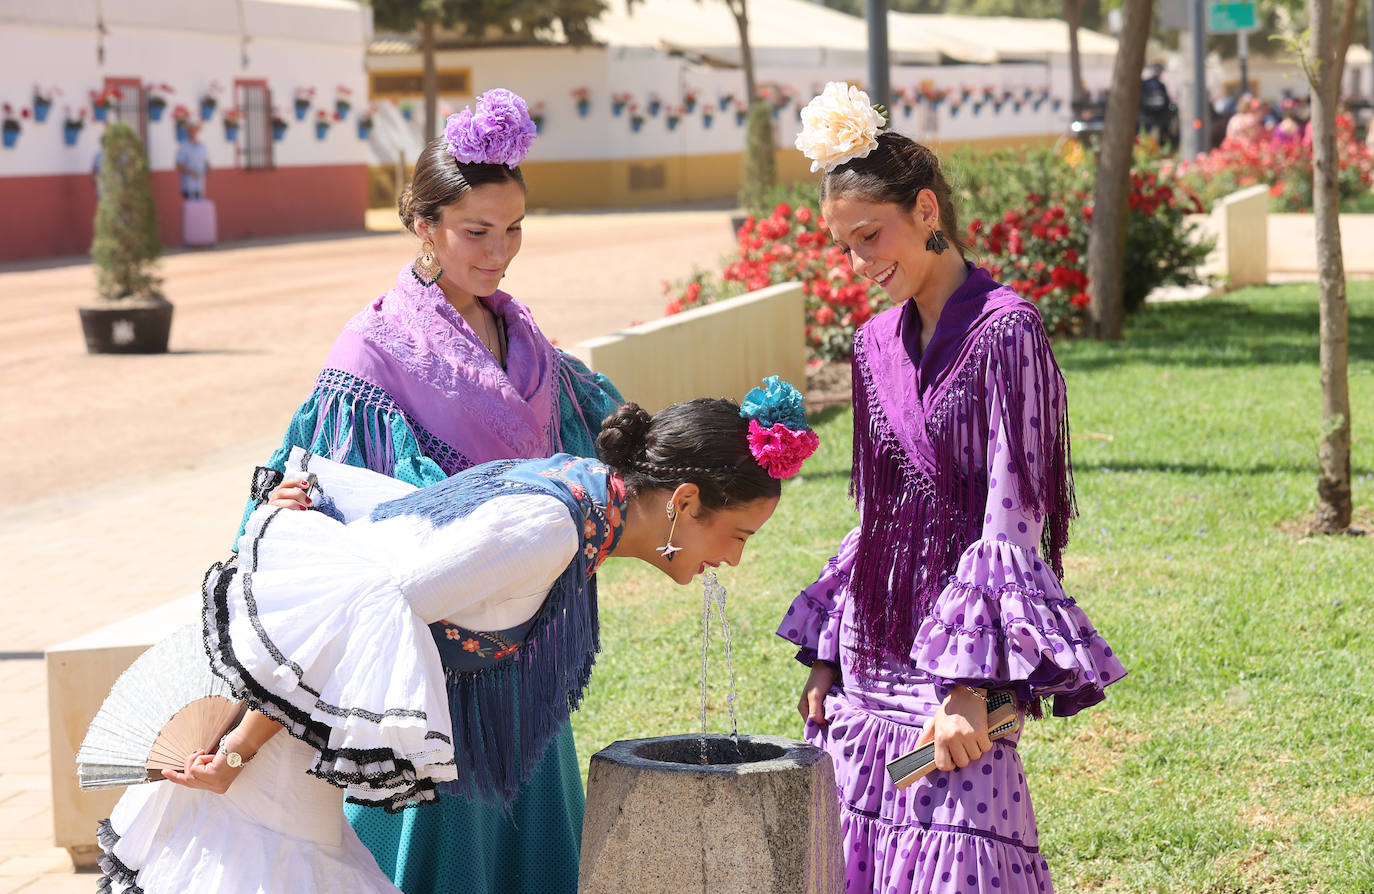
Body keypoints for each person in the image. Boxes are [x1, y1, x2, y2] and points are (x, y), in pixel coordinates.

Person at [96, 388, 821, 893]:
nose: (733, 560)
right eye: (737, 536)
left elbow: (395, 530)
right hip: (268, 776)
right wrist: (234, 751)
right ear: (685, 502)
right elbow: (361, 603)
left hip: (286, 761)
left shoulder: (574, 495)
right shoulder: (548, 530)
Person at [233, 88, 624, 893]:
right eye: (476, 232)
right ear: (424, 224)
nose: (499, 252)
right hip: (432, 658)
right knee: (433, 853)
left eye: (514, 229)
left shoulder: (524, 335)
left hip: (526, 638)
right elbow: (355, 497)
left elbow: (590, 441)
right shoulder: (374, 349)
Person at [783, 83, 1125, 893]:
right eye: (847, 248)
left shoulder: (1010, 331)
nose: (861, 265)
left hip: (955, 658)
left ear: (927, 209)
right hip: (870, 653)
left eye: (873, 237)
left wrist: (969, 688)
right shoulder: (871, 346)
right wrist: (826, 657)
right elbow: (874, 515)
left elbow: (1014, 518)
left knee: (963, 851)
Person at [1139, 62, 1175, 151]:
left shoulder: (1144, 83)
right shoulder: (1160, 85)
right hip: (1158, 119)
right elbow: (1166, 102)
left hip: (1144, 118)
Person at [175, 122, 209, 199]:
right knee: (190, 206)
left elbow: (205, 161)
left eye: (194, 130)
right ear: (188, 131)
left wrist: (208, 169)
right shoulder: (183, 146)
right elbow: (179, 164)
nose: (193, 132)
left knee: (199, 207)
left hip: (200, 185)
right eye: (191, 130)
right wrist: (191, 173)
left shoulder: (202, 146)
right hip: (187, 184)